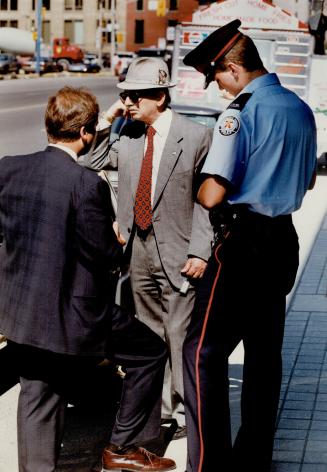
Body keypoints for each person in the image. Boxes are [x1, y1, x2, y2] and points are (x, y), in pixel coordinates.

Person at [0, 86, 176, 472]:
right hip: (74, 316)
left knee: (39, 390)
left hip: (22, 312)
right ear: (85, 134)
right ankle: (124, 447)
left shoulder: (8, 168)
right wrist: (115, 238)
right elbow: (104, 257)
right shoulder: (86, 184)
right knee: (149, 353)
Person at [182, 19, 317, 472]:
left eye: (216, 76)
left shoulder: (241, 112)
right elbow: (307, 180)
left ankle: (210, 462)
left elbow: (213, 194)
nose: (217, 88)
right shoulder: (300, 109)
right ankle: (254, 457)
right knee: (264, 356)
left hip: (241, 242)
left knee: (202, 352)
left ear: (234, 69)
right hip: (283, 238)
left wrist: (198, 186)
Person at [83, 57, 213, 437]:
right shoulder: (126, 133)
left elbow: (208, 201)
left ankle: (188, 414)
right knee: (148, 335)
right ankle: (159, 412)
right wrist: (108, 120)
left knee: (179, 334)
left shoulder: (196, 136)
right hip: (136, 252)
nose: (128, 102)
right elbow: (91, 162)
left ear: (160, 95)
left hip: (179, 251)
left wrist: (200, 251)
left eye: (136, 96)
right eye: (125, 95)